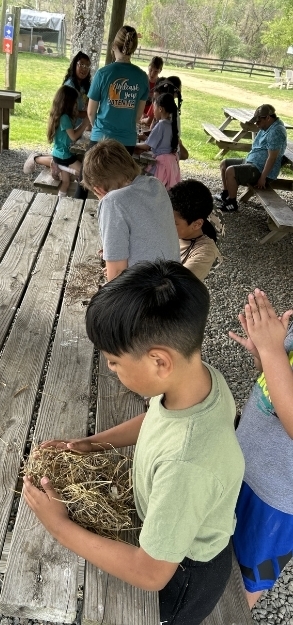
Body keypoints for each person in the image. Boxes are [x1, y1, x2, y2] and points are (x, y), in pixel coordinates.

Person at [23, 259, 245, 625]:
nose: (111, 369)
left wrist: (59, 526)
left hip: (182, 574)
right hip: (172, 526)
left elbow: (150, 573)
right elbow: (158, 419)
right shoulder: (199, 381)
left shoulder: (186, 466)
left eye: (113, 362)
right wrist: (93, 443)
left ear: (159, 361)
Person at [229, 289, 293, 609]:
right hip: (242, 463)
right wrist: (264, 356)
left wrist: (272, 353)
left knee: (246, 575)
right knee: (216, 541)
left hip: (276, 501)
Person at [81, 139, 179, 282]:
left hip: (146, 294)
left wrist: (113, 266)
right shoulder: (155, 185)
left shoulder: (112, 202)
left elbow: (116, 275)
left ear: (98, 189)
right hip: (174, 283)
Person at [75, 25, 149, 201]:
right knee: (120, 184)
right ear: (133, 48)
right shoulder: (141, 77)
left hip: (101, 136)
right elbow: (138, 116)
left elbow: (91, 111)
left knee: (85, 178)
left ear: (113, 47)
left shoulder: (103, 73)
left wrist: (99, 128)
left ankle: (76, 212)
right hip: (127, 140)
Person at [23, 52, 91, 178]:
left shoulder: (84, 85)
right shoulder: (70, 87)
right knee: (63, 157)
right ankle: (38, 159)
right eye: (81, 64)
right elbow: (74, 111)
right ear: (74, 65)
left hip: (74, 129)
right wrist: (89, 116)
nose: (84, 69)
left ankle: (58, 166)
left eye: (87, 66)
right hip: (70, 130)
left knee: (65, 156)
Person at [215, 104, 287, 212]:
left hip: (261, 170)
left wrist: (263, 178)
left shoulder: (276, 131)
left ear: (268, 118)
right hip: (253, 162)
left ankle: (231, 203)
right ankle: (226, 194)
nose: (257, 124)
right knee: (224, 164)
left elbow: (272, 158)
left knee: (231, 171)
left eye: (258, 121)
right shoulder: (266, 126)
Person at [169, 179, 221, 281]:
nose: (164, 225)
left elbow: (176, 287)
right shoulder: (174, 231)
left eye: (173, 223)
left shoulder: (205, 252)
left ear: (197, 224)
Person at [47, 85, 90, 197]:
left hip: (58, 153)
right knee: (83, 173)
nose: (76, 105)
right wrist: (85, 123)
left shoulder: (61, 115)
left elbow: (71, 133)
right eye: (75, 102)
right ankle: (63, 167)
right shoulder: (64, 117)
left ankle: (58, 205)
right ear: (68, 102)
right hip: (64, 156)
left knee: (66, 182)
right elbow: (74, 136)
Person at [135, 93, 181, 190]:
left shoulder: (161, 125)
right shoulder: (171, 124)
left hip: (162, 164)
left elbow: (147, 146)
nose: (153, 111)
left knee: (155, 190)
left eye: (154, 108)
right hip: (171, 163)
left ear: (160, 109)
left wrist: (133, 144)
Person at [141, 56, 164, 125]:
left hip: (152, 116)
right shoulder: (142, 80)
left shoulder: (160, 85)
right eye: (150, 70)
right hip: (139, 113)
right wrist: (141, 113)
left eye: (156, 71)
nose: (152, 74)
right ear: (148, 67)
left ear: (160, 71)